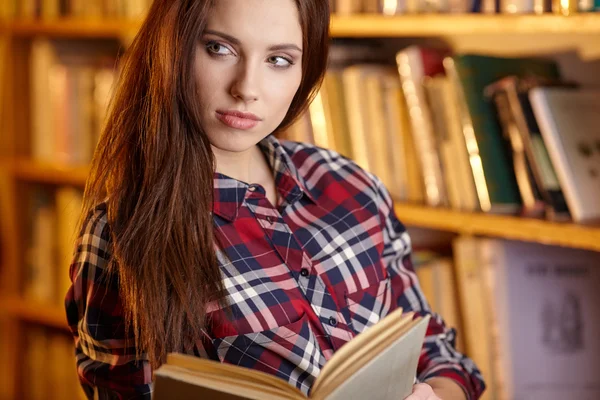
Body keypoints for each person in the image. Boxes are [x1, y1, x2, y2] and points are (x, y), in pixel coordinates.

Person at [64, 0, 485, 399]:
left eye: (278, 60)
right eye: (220, 48)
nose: (247, 88)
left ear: (307, 69)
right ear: (172, 48)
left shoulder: (351, 187)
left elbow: (439, 356)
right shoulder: (120, 234)